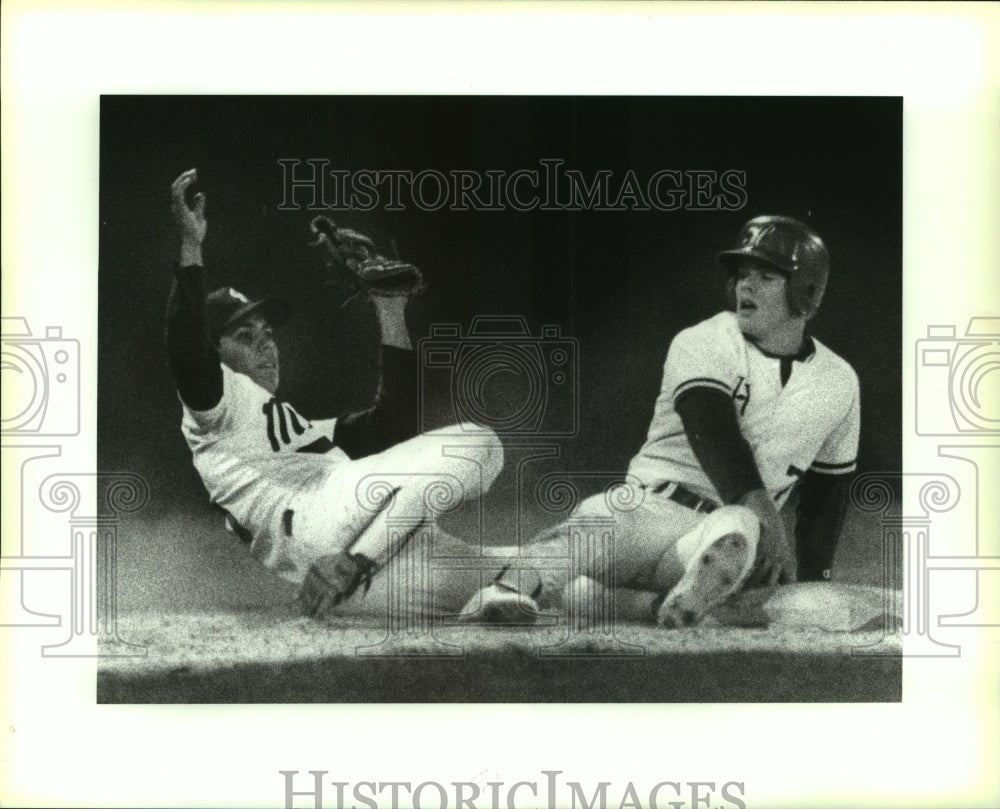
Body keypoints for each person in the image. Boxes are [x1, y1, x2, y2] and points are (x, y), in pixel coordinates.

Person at [165, 168, 533, 620]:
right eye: (245, 334)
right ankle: (354, 563)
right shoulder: (213, 406)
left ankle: (647, 601)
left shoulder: (284, 427)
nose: (266, 342)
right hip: (319, 517)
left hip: (344, 565)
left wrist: (390, 309)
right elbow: (186, 346)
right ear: (213, 352)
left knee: (530, 573)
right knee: (476, 441)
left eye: (267, 332)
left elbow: (392, 425)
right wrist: (190, 248)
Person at [475, 215, 860, 627]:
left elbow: (827, 496)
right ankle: (505, 592)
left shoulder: (839, 380)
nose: (744, 285)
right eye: (741, 274)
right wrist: (767, 515)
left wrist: (815, 582)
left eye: (765, 276)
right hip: (647, 508)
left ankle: (668, 605)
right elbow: (710, 428)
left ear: (806, 292)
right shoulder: (703, 339)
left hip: (714, 536)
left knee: (739, 529)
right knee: (600, 521)